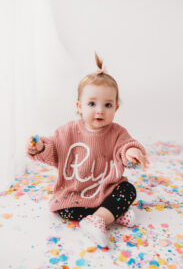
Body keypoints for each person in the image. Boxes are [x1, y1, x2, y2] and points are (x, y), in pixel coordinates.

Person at [26, 53, 149, 247]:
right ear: (79, 106)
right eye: (92, 104)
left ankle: (98, 219)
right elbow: (53, 150)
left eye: (107, 105)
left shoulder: (117, 132)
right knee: (65, 211)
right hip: (73, 195)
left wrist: (130, 152)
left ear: (115, 109)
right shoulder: (67, 131)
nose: (100, 110)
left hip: (104, 189)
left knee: (128, 190)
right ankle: (110, 214)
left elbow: (126, 144)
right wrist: (40, 147)